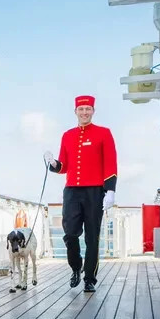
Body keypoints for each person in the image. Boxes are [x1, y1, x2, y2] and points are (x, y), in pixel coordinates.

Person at [44, 94, 117, 293]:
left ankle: (90, 279)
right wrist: (53, 164)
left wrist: (110, 190)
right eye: (81, 109)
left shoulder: (104, 133)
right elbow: (64, 166)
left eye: (88, 109)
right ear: (75, 111)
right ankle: (76, 268)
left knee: (92, 237)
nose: (84, 112)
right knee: (70, 234)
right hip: (72, 192)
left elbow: (110, 162)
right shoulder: (67, 135)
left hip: (95, 191)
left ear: (93, 111)